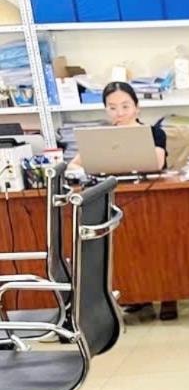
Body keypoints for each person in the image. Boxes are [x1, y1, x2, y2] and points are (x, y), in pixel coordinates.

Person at [72, 81, 175, 321]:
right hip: (116, 197)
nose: (119, 113)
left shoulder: (154, 132)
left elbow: (157, 162)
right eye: (112, 107)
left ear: (137, 108)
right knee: (126, 249)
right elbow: (74, 164)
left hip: (152, 198)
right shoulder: (100, 136)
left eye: (125, 106)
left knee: (158, 247)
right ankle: (139, 296)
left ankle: (170, 296)